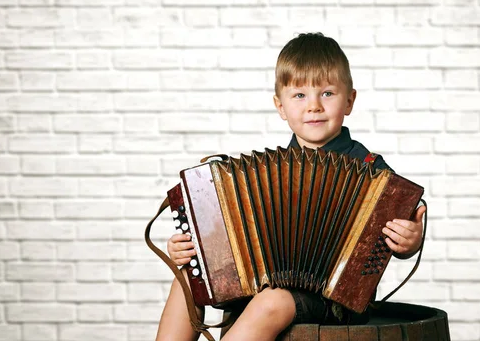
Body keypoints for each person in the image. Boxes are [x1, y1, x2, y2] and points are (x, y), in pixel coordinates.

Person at [156, 33, 427, 341]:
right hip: (263, 283)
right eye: (299, 96)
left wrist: (411, 241)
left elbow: (398, 230)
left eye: (327, 93)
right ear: (280, 106)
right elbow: (230, 241)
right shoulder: (261, 175)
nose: (313, 106)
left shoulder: (370, 170)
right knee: (189, 276)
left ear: (349, 100)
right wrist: (190, 249)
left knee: (272, 302)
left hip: (336, 298)